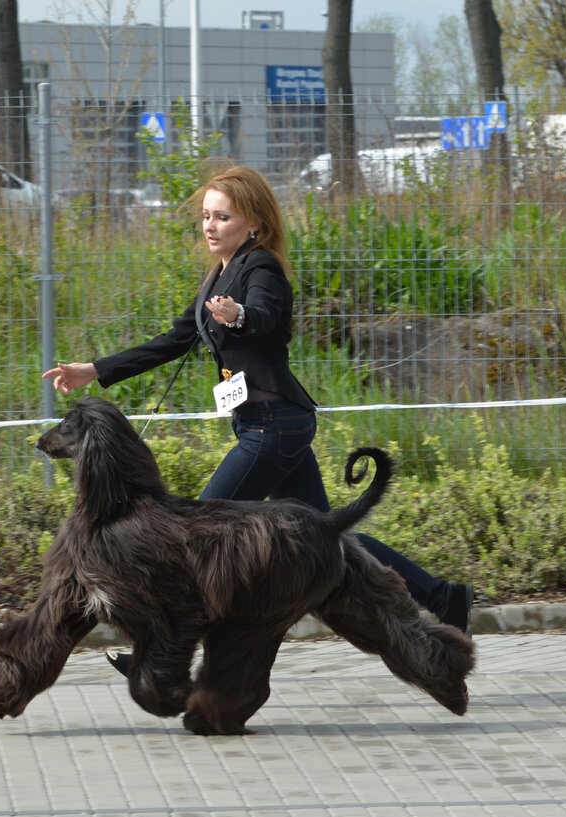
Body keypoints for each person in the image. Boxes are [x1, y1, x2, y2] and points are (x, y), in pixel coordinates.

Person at [44, 163, 474, 673]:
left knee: (194, 534)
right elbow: (176, 340)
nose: (209, 226)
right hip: (266, 425)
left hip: (273, 427)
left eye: (222, 217)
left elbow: (268, 317)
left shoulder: (261, 268)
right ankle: (445, 598)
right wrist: (93, 370)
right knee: (333, 537)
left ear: (254, 223)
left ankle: (158, 650)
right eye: (206, 215)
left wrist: (240, 316)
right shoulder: (217, 275)